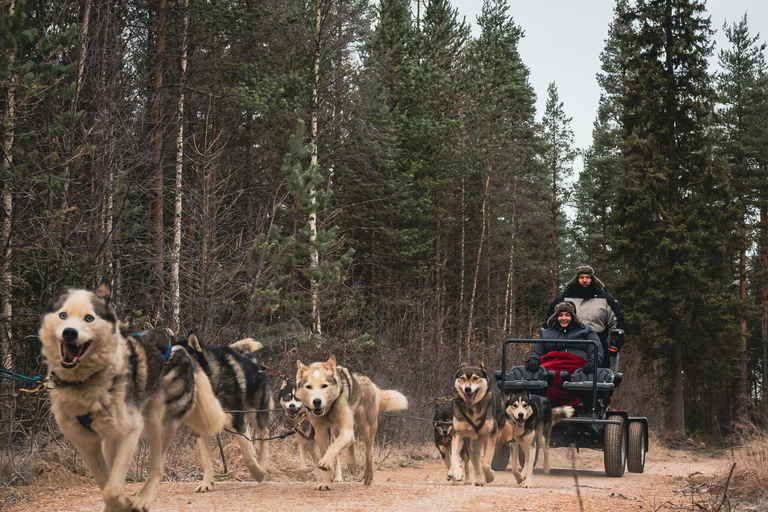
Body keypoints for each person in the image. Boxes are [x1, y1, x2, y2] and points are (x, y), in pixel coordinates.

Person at [545, 265, 625, 367]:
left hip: (598, 345)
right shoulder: (565, 297)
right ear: (577, 279)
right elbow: (550, 321)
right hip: (569, 344)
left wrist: (614, 345)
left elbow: (618, 321)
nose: (584, 280)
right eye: (581, 277)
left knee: (599, 374)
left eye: (587, 277)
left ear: (593, 279)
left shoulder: (605, 298)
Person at [525, 301, 602, 406]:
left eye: (567, 315)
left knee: (582, 376)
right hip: (552, 366)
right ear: (556, 317)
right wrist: (533, 360)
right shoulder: (547, 333)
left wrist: (593, 362)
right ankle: (542, 402)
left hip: (576, 366)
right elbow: (538, 352)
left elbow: (596, 349)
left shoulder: (586, 331)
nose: (563, 318)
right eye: (560, 315)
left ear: (573, 317)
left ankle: (584, 403)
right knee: (540, 374)